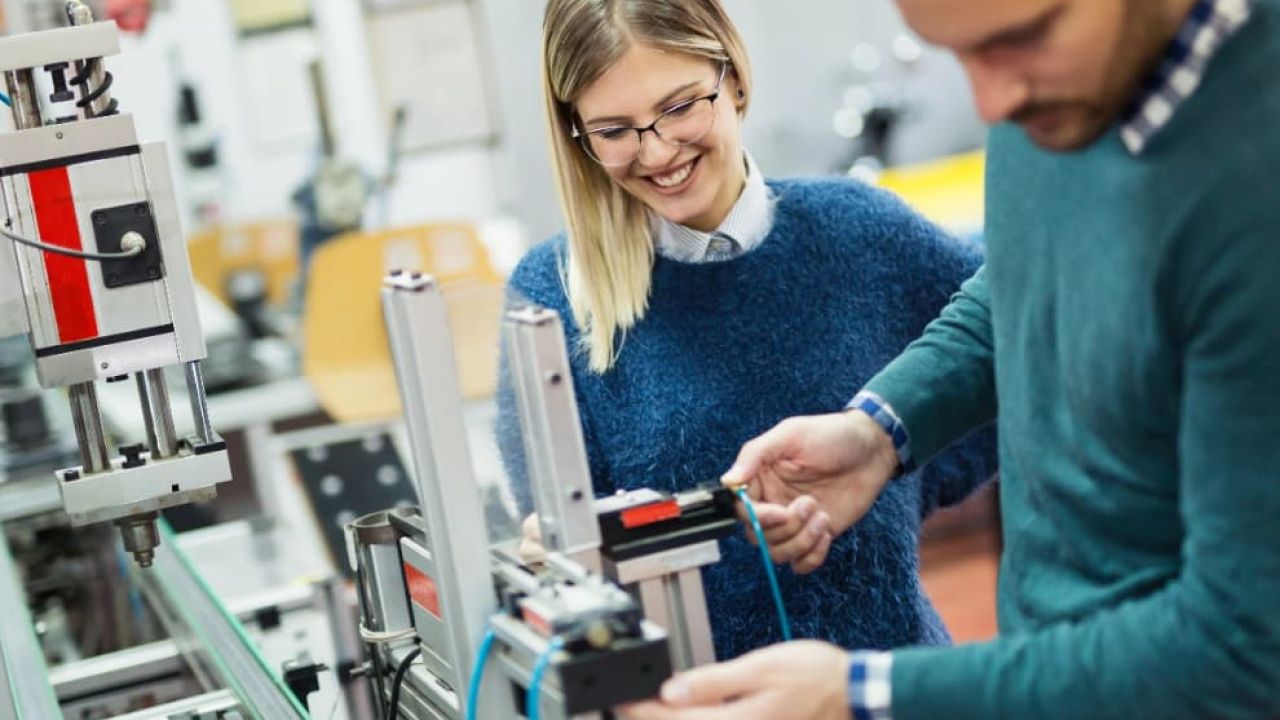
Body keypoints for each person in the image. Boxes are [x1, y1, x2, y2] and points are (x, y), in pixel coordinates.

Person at [622, 0, 1280, 718]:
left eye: (1021, 38)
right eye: (955, 54)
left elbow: (1241, 646)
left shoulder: (1252, 189)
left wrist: (862, 695)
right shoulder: (1054, 93)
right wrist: (878, 432)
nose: (991, 100)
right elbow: (1023, 279)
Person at [495, 0, 997, 662]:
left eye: (678, 108)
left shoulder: (865, 232)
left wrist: (889, 469)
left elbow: (1014, 361)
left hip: (884, 687)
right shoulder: (553, 297)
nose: (658, 151)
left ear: (732, 76)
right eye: (614, 130)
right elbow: (561, 552)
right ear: (577, 135)